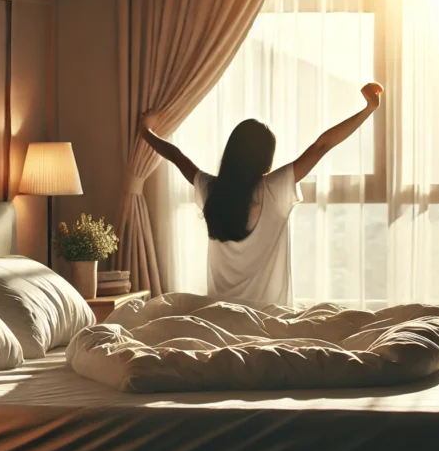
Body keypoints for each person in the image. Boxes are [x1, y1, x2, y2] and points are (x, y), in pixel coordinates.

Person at [140, 82, 382, 307]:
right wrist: (368, 109)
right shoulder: (274, 189)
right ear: (266, 159)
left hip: (219, 318)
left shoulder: (210, 189)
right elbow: (322, 145)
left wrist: (145, 130)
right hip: (270, 321)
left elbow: (176, 156)